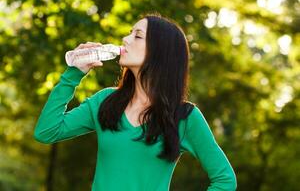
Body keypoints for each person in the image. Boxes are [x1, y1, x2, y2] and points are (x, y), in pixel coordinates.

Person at [33, 12, 237, 191]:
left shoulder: (185, 117)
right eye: (130, 33)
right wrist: (73, 74)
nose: (125, 39)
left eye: (137, 36)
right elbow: (46, 131)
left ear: (160, 52)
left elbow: (225, 180)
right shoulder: (106, 101)